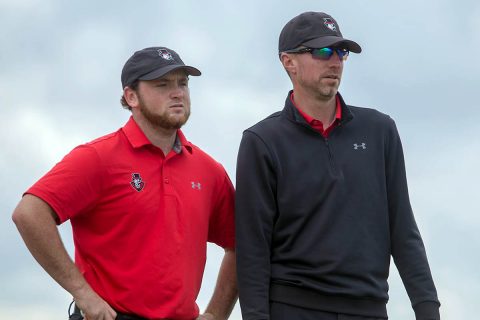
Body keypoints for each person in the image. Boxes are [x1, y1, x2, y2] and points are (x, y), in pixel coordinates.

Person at [235, 11, 440, 320]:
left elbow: (403, 229)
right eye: (322, 52)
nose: (335, 62)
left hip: (369, 308)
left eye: (341, 52)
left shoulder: (380, 130)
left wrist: (427, 309)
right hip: (293, 309)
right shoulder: (261, 141)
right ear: (288, 61)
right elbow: (253, 250)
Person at [12, 46, 237, 320]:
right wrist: (83, 294)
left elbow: (241, 243)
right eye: (162, 85)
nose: (177, 92)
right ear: (132, 96)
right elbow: (29, 213)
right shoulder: (98, 157)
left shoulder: (209, 171)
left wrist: (216, 313)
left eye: (183, 83)